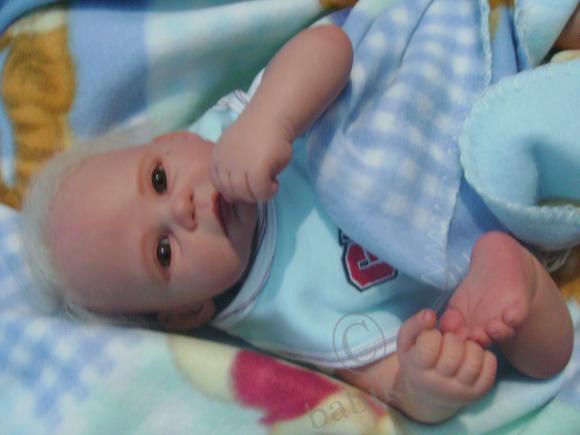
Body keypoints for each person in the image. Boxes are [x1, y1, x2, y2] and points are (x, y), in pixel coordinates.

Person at [21, 21, 576, 424]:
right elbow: (383, 381)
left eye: (159, 179)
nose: (181, 208)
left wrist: (272, 119)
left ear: (172, 140)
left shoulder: (242, 124)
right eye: (163, 252)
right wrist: (425, 382)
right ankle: (517, 270)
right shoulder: (274, 321)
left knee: (540, 24)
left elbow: (330, 44)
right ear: (189, 312)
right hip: (488, 230)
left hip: (446, 92)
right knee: (545, 355)